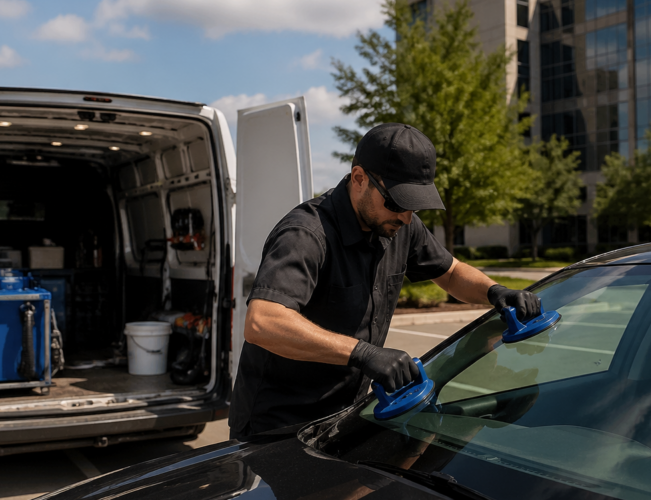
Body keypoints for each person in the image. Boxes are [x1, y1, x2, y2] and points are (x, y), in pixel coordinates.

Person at [229, 123, 540, 439]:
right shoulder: (306, 234)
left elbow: (451, 272)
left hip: (347, 414)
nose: (406, 217)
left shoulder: (401, 226)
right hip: (277, 424)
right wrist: (363, 353)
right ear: (359, 179)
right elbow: (262, 322)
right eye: (396, 202)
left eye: (414, 205)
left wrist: (494, 291)